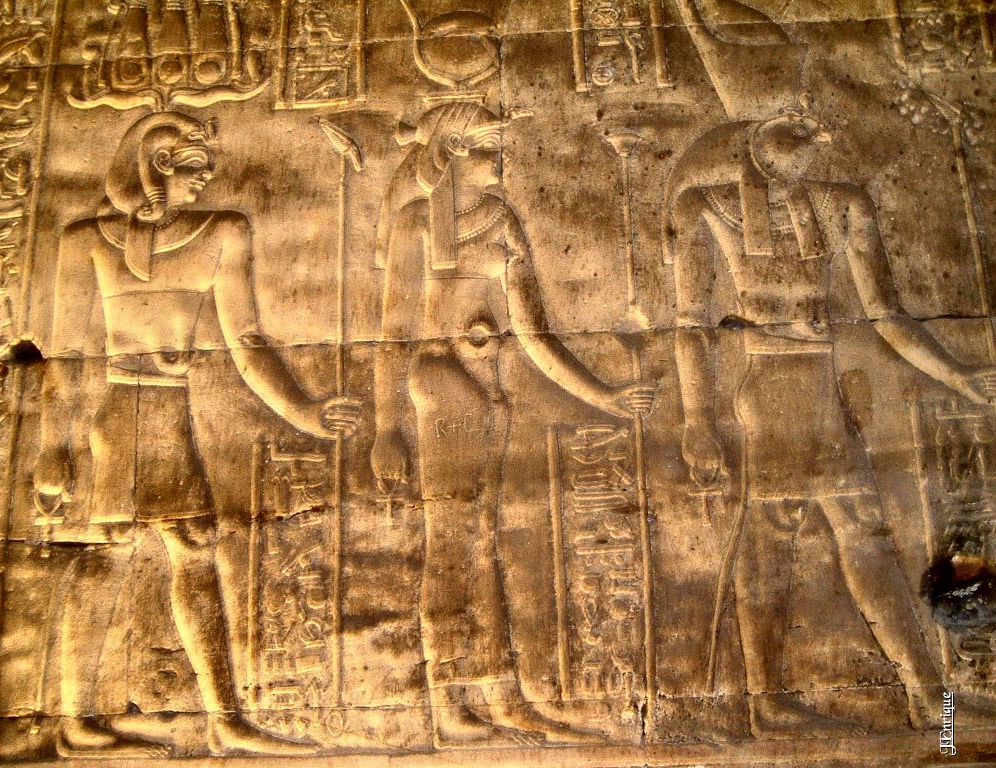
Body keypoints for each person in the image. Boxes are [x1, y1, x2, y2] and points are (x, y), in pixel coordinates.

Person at [34, 111, 361, 757]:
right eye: (195, 169)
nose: (204, 180)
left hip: (170, 411)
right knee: (111, 552)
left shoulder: (223, 233)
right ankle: (78, 719)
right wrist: (53, 447)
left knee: (191, 545)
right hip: (119, 418)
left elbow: (247, 342)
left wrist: (303, 410)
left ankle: (222, 718)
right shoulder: (85, 242)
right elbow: (64, 358)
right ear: (158, 165)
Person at [667, 104, 996, 737]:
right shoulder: (706, 206)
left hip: (824, 391)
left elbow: (886, 314)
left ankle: (936, 709)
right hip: (772, 395)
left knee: (865, 540)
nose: (808, 138)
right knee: (775, 542)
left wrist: (957, 375)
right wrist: (696, 420)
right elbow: (691, 326)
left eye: (811, 129)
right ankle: (771, 704)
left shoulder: (844, 203)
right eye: (790, 126)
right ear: (754, 138)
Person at [371, 101, 656, 748]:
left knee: (483, 541)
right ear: (448, 153)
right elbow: (393, 334)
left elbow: (532, 331)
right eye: (483, 146)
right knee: (452, 543)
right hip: (442, 388)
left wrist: (603, 395)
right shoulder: (417, 225)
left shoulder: (501, 220)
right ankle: (448, 701)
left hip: (490, 392)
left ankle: (501, 694)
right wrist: (386, 427)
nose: (498, 157)